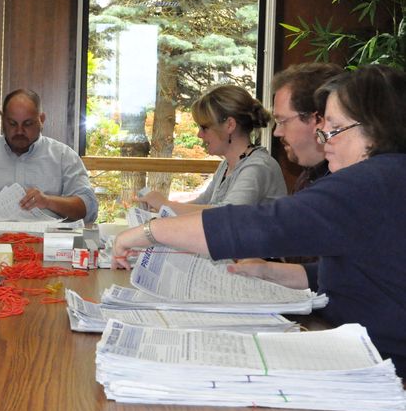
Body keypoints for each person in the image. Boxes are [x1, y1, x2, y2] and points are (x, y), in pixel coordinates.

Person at [112, 65, 406, 376]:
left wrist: (149, 231)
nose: (324, 140)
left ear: (373, 128)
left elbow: (267, 223)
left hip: (385, 371)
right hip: (358, 350)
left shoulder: (373, 181)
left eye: (334, 128)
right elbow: (364, 272)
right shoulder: (386, 179)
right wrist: (271, 271)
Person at [0, 88, 98, 222]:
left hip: (45, 245)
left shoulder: (64, 156)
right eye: (12, 123)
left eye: (27, 124)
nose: (19, 131)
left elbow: (88, 208)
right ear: (2, 120)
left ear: (41, 119)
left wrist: (48, 201)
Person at [138, 84, 286, 214]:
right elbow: (203, 203)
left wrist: (166, 205)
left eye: (205, 127)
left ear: (230, 125)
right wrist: (165, 209)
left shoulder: (258, 167)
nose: (199, 134)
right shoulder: (227, 165)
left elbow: (227, 214)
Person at [271, 62, 344, 192]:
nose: (277, 132)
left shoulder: (341, 188)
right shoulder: (308, 177)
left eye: (282, 121)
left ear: (318, 119)